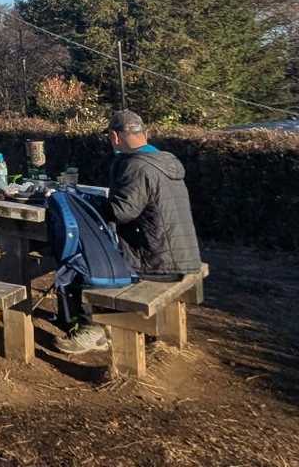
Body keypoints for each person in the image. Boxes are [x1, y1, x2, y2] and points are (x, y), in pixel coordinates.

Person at [55, 109, 203, 355]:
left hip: (156, 260)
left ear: (115, 137)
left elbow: (121, 212)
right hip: (181, 254)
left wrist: (86, 204)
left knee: (86, 262)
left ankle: (93, 330)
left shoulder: (136, 166)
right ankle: (95, 325)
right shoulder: (163, 160)